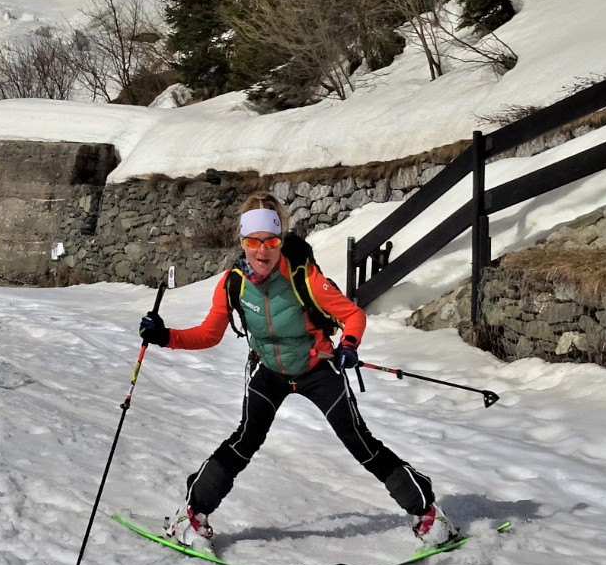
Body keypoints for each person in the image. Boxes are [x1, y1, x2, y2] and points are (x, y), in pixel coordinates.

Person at [138, 191, 455, 546]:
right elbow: (208, 335)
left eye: (270, 241)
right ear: (242, 242)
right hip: (268, 371)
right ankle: (192, 514)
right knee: (246, 439)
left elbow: (352, 315)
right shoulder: (233, 284)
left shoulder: (304, 276)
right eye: (253, 242)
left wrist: (348, 345)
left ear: (280, 240)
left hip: (317, 368)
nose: (262, 251)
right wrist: (164, 336)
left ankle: (426, 511)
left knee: (358, 441)